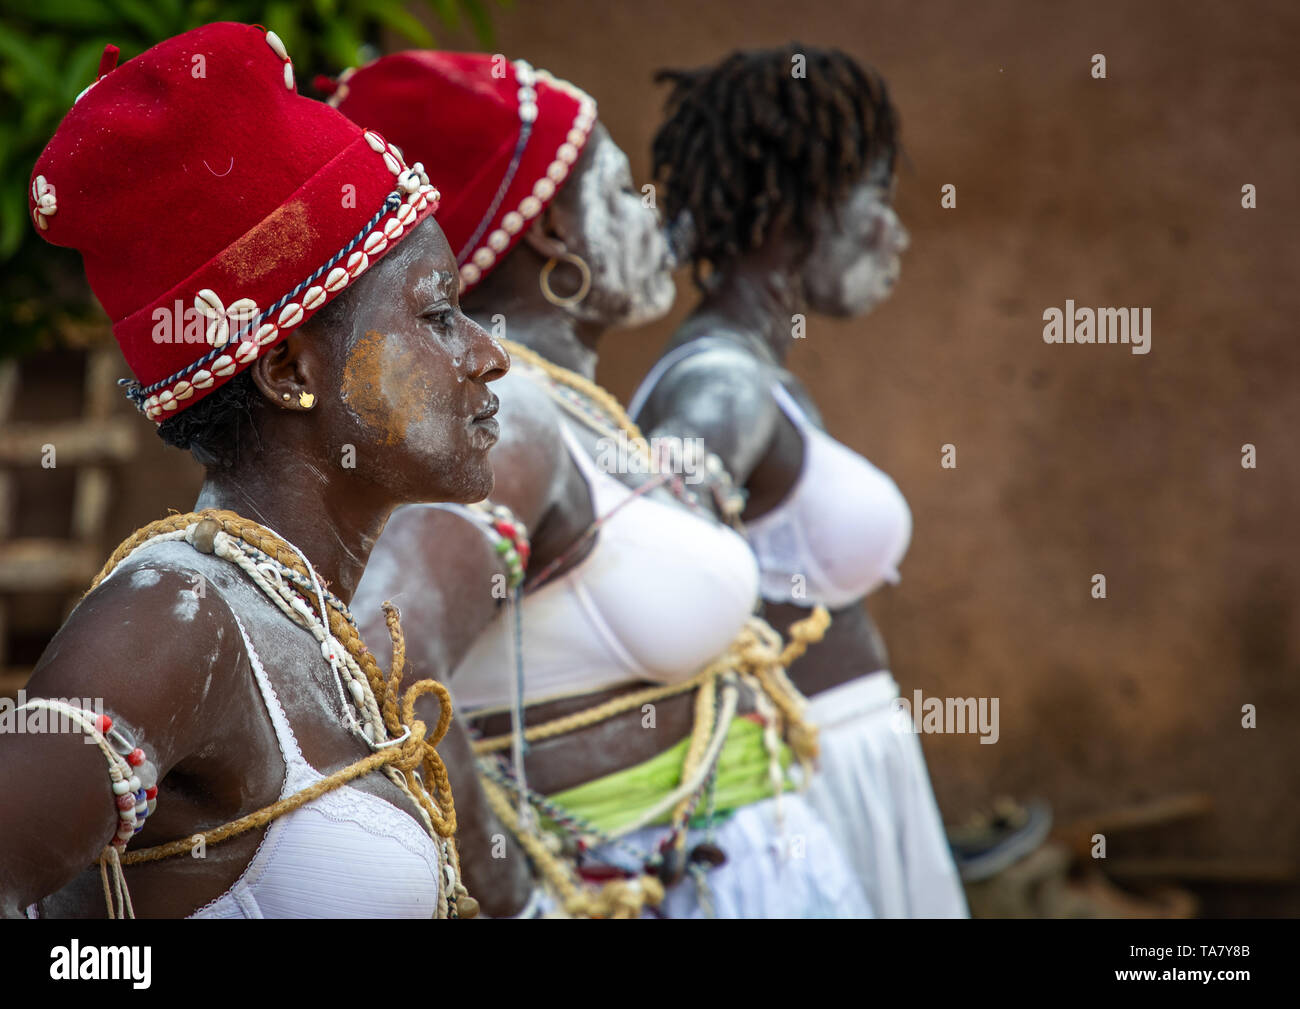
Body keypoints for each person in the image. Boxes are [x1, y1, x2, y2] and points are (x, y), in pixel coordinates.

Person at [338, 51, 869, 918]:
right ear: (553, 231)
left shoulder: (569, 410)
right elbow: (384, 665)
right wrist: (520, 896)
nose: (654, 219)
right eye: (623, 192)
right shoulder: (509, 417)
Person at [0, 22, 510, 919]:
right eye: (436, 316)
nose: (486, 355)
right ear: (288, 372)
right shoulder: (172, 619)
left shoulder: (306, 623)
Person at [629, 45, 967, 917]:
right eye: (878, 198)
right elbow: (655, 564)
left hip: (837, 764)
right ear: (796, 206)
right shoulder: (719, 387)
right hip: (798, 790)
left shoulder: (753, 377)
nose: (896, 232)